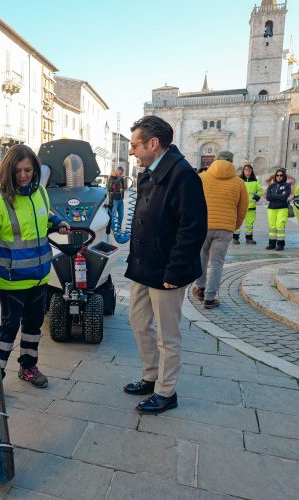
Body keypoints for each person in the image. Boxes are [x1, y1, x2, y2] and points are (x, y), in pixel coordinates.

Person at [122, 116, 207, 415]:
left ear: (153, 144)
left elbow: (193, 227)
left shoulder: (182, 175)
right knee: (138, 321)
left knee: (167, 335)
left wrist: (176, 271)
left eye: (135, 146)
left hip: (167, 271)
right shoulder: (150, 173)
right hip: (144, 266)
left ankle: (166, 391)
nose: (132, 152)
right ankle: (150, 375)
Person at [0, 144, 69, 388]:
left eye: (28, 170)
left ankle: (28, 366)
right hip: (13, 278)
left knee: (33, 327)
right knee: (8, 329)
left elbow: (45, 217)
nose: (23, 175)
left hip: (41, 275)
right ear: (8, 171)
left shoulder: (40, 194)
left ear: (35, 169)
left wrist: (58, 223)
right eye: (18, 171)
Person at [192, 151, 247, 309]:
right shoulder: (239, 182)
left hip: (203, 226)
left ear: (215, 161)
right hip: (225, 228)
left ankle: (200, 289)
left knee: (202, 258)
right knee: (216, 263)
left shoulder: (202, 177)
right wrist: (233, 226)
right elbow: (242, 209)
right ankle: (209, 298)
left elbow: (192, 202)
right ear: (231, 161)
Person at [233, 164, 262, 245]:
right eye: (246, 169)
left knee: (249, 224)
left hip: (251, 207)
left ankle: (249, 239)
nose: (248, 171)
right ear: (243, 171)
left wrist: (256, 197)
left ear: (251, 171)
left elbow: (260, 191)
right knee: (237, 223)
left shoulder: (255, 182)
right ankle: (235, 238)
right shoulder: (239, 181)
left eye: (249, 169)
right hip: (240, 206)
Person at [265, 168, 292, 251]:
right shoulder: (271, 186)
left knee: (280, 226)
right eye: (277, 175)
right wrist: (279, 195)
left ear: (283, 176)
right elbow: (268, 197)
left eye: (281, 175)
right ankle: (271, 244)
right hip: (271, 209)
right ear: (275, 176)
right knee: (272, 227)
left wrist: (274, 195)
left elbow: (284, 197)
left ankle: (280, 244)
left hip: (282, 208)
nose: (279, 177)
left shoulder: (287, 185)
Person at [106, 167, 125, 233]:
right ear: (116, 171)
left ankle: (119, 228)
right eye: (119, 173)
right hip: (114, 200)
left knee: (121, 214)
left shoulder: (121, 178)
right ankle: (113, 229)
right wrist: (120, 178)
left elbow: (123, 186)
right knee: (113, 215)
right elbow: (111, 187)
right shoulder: (112, 177)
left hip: (121, 199)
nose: (120, 174)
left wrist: (122, 190)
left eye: (121, 174)